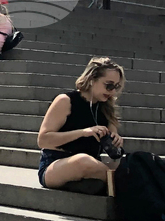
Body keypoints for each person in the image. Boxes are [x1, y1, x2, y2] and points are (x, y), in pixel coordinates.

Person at [36, 57, 124, 193]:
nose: (112, 91)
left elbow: (113, 149)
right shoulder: (65, 101)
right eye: (109, 85)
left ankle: (89, 184)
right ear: (92, 79)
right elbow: (43, 140)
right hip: (56, 164)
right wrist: (83, 132)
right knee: (83, 161)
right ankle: (123, 183)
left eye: (116, 87)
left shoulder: (107, 109)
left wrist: (116, 141)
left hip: (93, 164)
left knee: (131, 164)